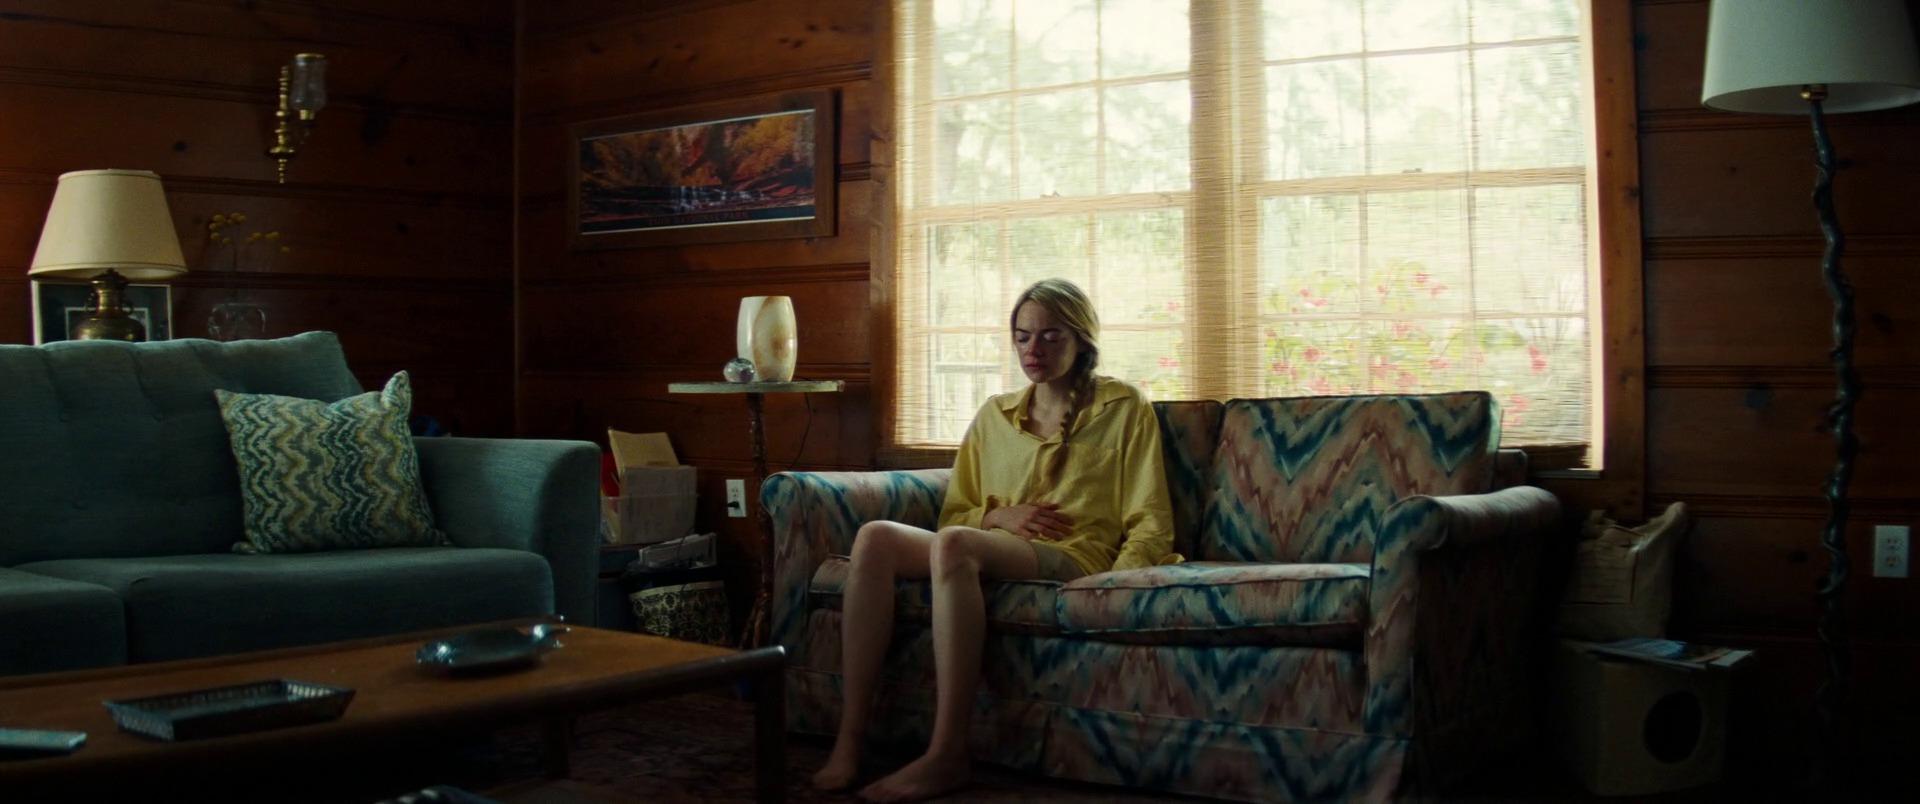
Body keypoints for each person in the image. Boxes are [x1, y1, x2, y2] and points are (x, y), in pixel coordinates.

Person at [812, 278, 1180, 802]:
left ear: (1081, 340)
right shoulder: (995, 415)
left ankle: (947, 754)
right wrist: (998, 516)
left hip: (1076, 555)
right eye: (1023, 336)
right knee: (874, 538)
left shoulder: (1124, 407)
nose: (1034, 349)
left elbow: (1150, 517)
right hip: (994, 543)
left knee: (955, 546)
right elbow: (955, 513)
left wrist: (1115, 585)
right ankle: (849, 740)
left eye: (1051, 336)